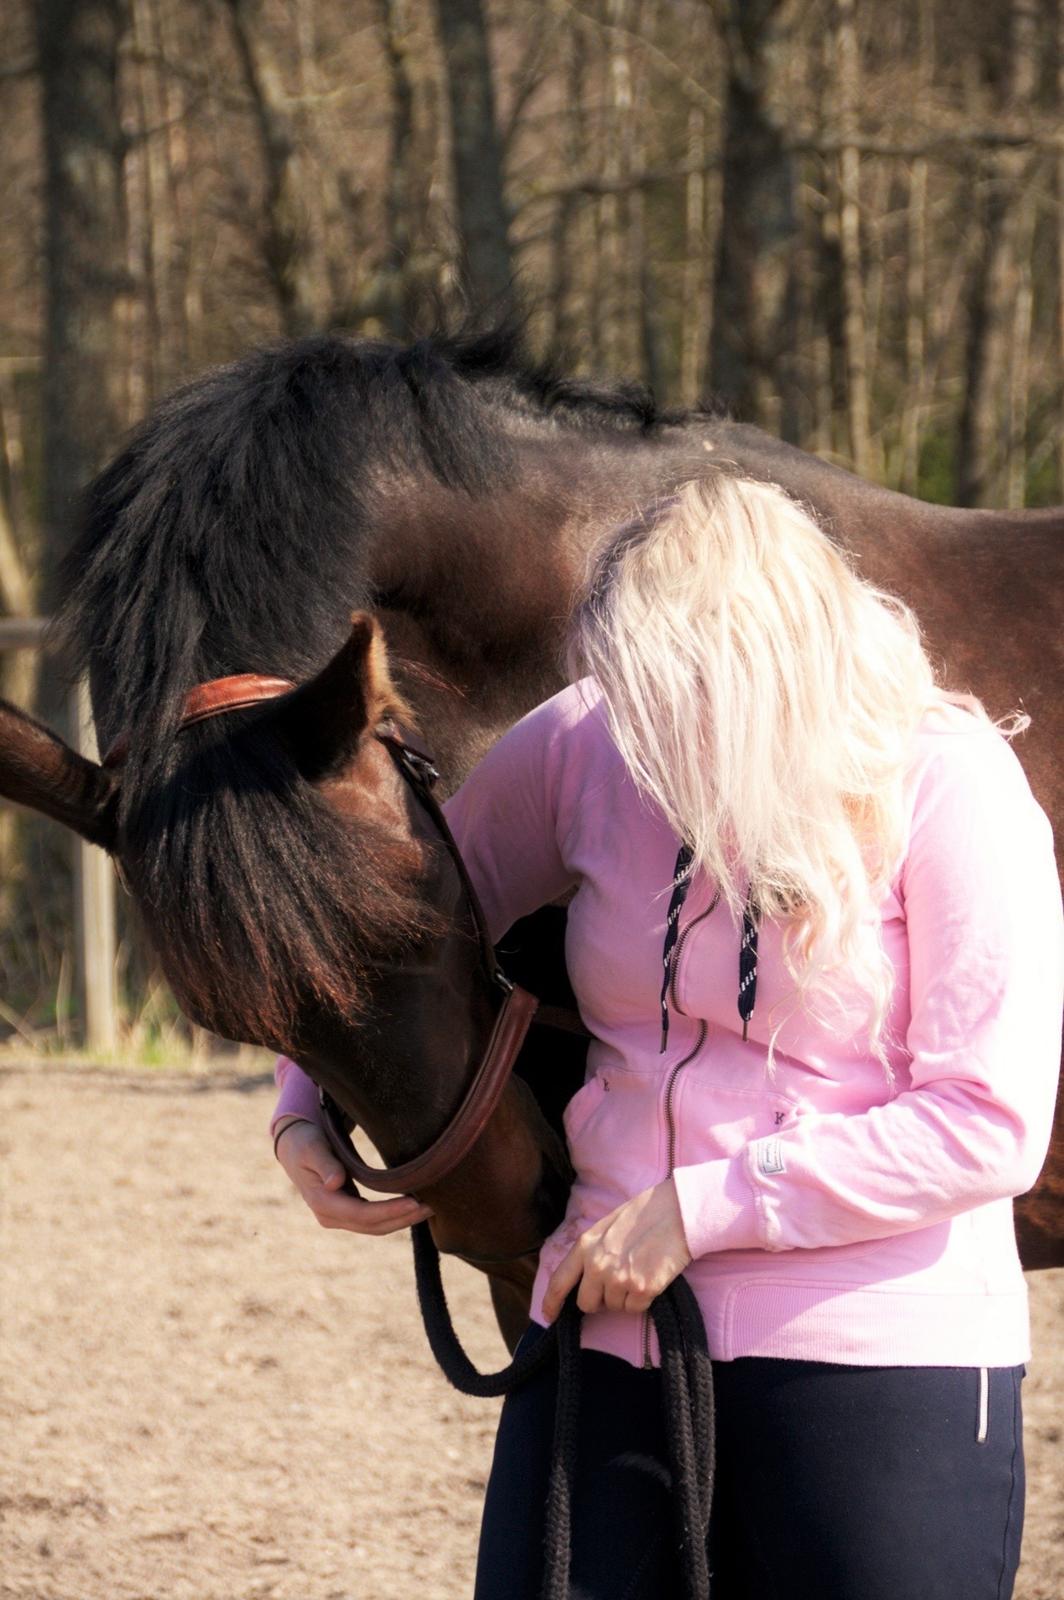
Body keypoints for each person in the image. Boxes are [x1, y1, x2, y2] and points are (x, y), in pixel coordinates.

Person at [270, 476, 1062, 1600]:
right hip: (608, 1327)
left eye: (667, 698)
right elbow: (393, 924)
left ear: (768, 673)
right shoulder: (596, 736)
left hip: (878, 1353)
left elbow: (985, 1124)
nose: (634, 735)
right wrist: (302, 1095)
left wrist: (702, 1209)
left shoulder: (950, 783)